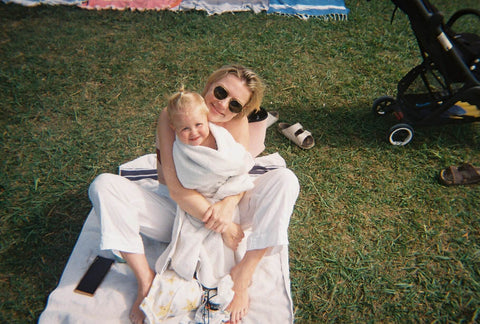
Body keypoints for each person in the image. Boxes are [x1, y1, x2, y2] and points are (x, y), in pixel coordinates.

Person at [88, 64, 300, 324]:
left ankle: (244, 274)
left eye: (235, 104)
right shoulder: (172, 114)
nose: (223, 105)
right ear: (209, 84)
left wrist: (227, 205)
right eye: (220, 92)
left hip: (228, 209)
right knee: (103, 185)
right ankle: (146, 281)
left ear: (241, 110)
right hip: (177, 212)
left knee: (286, 180)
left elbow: (241, 175)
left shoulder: (238, 123)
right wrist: (226, 228)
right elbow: (176, 188)